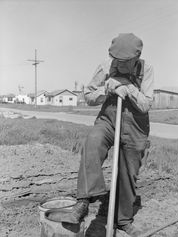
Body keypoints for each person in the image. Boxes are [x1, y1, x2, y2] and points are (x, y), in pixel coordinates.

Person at [49, 33, 154, 237]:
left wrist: (128, 88)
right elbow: (87, 95)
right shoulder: (105, 66)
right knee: (92, 143)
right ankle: (83, 203)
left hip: (136, 126)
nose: (119, 65)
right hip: (108, 120)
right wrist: (107, 90)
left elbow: (145, 105)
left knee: (128, 173)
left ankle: (123, 220)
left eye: (125, 62)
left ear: (137, 57)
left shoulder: (147, 69)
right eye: (117, 60)